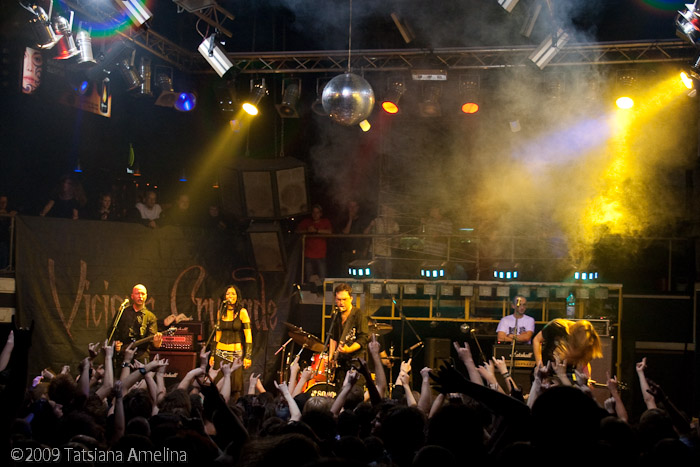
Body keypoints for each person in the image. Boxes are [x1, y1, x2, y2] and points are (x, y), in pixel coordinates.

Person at [213, 285, 252, 401]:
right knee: (218, 384)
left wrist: (248, 356)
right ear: (224, 297)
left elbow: (248, 335)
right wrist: (212, 354)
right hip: (220, 352)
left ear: (237, 296)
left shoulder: (242, 312)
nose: (231, 296)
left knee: (235, 387)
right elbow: (217, 334)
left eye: (233, 293)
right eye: (228, 294)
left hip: (235, 353)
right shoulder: (221, 312)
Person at [532, 318, 602, 379]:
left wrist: (587, 378)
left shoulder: (586, 338)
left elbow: (585, 362)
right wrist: (540, 365)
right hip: (547, 371)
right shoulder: (556, 326)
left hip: (566, 374)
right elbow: (537, 340)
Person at [108, 284, 162, 363]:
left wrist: (157, 343)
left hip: (141, 357)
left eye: (143, 294)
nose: (140, 296)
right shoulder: (122, 312)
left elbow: (153, 343)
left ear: (146, 296)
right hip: (123, 355)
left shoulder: (150, 317)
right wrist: (116, 343)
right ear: (132, 296)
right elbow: (112, 332)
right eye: (137, 293)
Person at [328, 283, 369, 388]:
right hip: (341, 362)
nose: (341, 303)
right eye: (338, 299)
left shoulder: (359, 315)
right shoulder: (335, 315)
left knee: (353, 392)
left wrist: (349, 349)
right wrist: (331, 357)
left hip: (356, 362)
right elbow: (333, 337)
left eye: (344, 299)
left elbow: (363, 338)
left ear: (351, 298)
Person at [296, 204, 332, 284]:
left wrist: (316, 230)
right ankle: (310, 293)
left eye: (317, 212)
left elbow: (329, 232)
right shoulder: (306, 222)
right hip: (308, 255)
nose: (315, 215)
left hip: (321, 255)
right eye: (314, 212)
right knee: (309, 277)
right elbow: (297, 231)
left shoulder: (325, 222)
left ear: (321, 213)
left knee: (323, 277)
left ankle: (323, 292)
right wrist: (307, 230)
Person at [0, 195, 17, 270]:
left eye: (5, 202)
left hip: (5, 241)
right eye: (1, 202)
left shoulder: (9, 213)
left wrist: (13, 214)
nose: (3, 204)